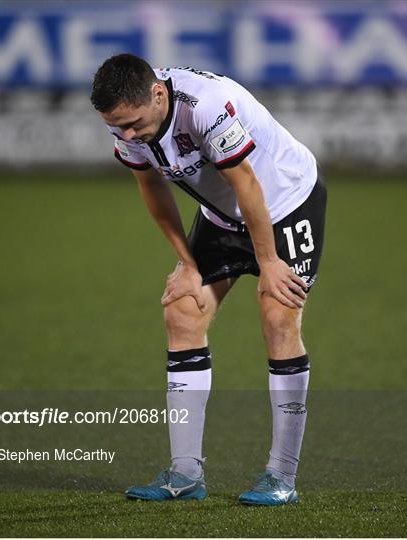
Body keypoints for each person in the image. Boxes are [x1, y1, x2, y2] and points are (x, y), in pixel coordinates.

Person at [91, 53, 327, 506]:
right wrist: (187, 262)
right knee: (182, 310)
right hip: (223, 215)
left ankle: (281, 476)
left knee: (278, 319)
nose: (125, 135)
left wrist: (270, 261)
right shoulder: (126, 116)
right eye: (117, 127)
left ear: (158, 94)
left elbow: (249, 185)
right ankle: (184, 473)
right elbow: (152, 187)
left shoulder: (206, 105)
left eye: (132, 124)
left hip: (286, 202)